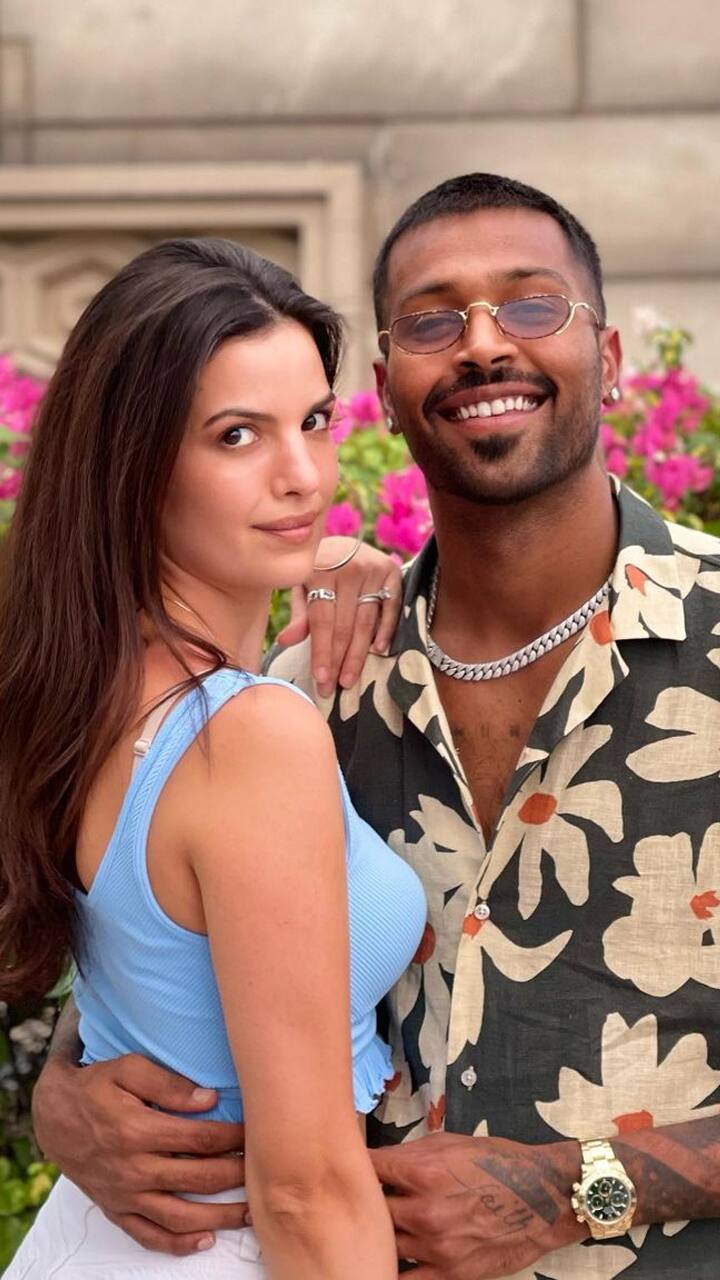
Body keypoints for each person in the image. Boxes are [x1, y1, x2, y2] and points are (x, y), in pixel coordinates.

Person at [30, 174, 720, 1280]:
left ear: (611, 357)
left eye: (531, 303)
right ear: (388, 395)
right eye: (433, 321)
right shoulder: (317, 681)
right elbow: (171, 960)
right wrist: (65, 1091)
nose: (484, 343)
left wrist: (575, 1191)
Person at [0, 236, 427, 1279]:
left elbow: (156, 969)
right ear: (136, 463)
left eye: (314, 421)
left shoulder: (83, 689)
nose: (302, 476)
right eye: (237, 435)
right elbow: (305, 1190)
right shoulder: (247, 734)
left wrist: (326, 566)